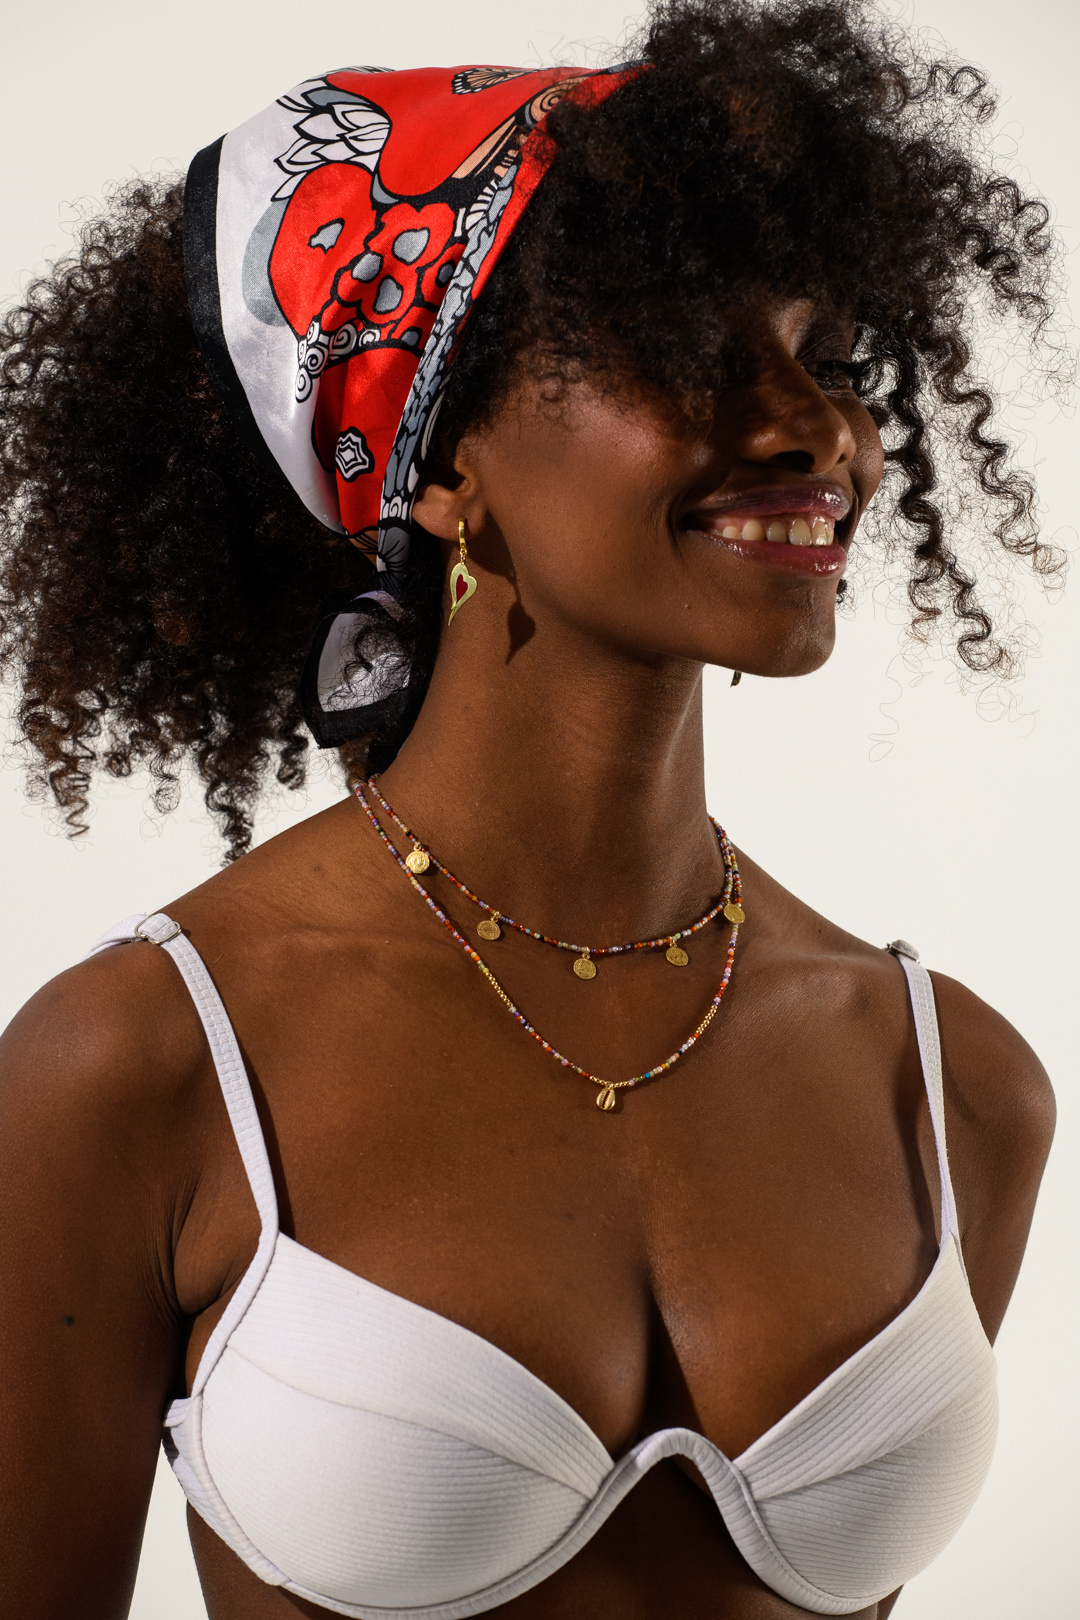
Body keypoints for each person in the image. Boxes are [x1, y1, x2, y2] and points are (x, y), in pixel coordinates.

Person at [0, 1, 1060, 1615]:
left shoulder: (951, 1084)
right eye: (691, 353)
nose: (820, 431)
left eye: (831, 359)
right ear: (442, 465)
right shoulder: (140, 1067)